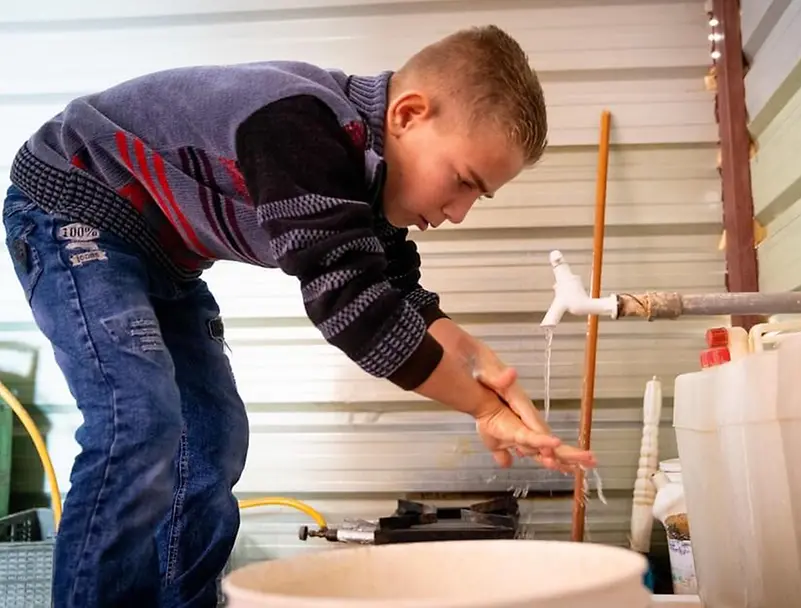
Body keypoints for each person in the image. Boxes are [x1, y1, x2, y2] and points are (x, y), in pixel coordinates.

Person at [2, 24, 596, 608]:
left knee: (212, 439)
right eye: (463, 181)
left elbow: (401, 295)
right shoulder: (299, 125)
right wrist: (481, 406)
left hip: (164, 255)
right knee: (139, 419)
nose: (460, 212)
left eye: (478, 196)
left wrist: (484, 371)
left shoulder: (362, 175)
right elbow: (356, 312)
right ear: (408, 114)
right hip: (74, 203)